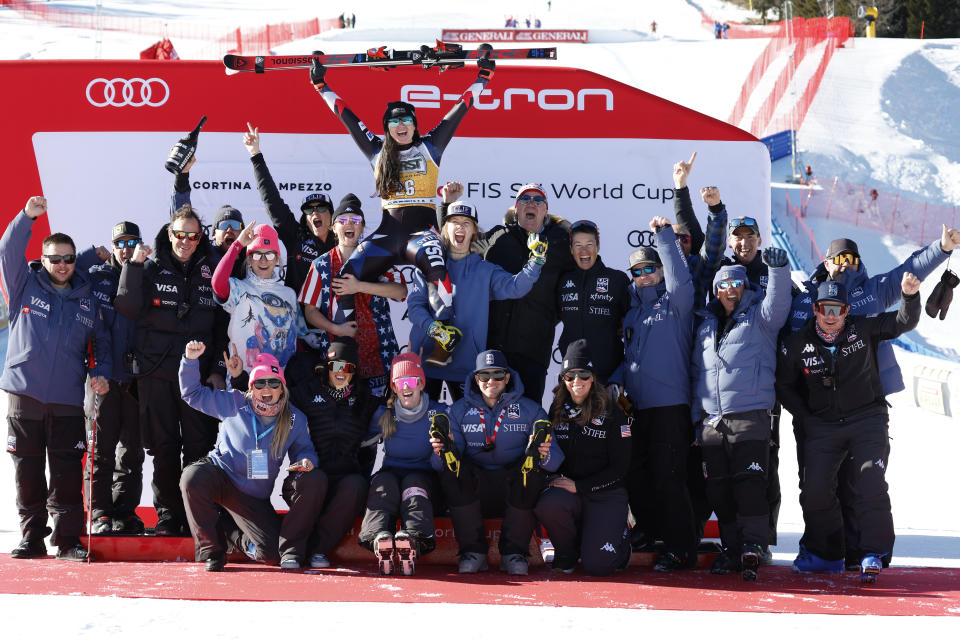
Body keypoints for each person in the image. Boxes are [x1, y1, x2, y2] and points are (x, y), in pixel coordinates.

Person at [785, 228, 958, 568]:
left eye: (851, 259)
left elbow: (911, 269)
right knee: (816, 485)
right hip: (817, 408)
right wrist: (800, 407)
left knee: (858, 480)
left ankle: (856, 549)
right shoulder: (807, 296)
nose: (844, 265)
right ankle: (822, 547)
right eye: (838, 258)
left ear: (859, 263)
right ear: (826, 260)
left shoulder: (872, 291)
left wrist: (941, 248)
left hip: (864, 402)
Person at [308, 51, 495, 324]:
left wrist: (483, 77)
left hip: (421, 236)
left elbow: (461, 107)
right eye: (394, 121)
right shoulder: (377, 150)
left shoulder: (430, 146)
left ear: (415, 125)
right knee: (344, 280)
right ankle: (343, 351)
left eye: (406, 120)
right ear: (386, 128)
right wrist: (321, 85)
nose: (401, 125)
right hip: (386, 237)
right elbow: (347, 117)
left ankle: (443, 339)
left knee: (437, 270)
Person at [776, 276, 921, 584]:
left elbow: (901, 323)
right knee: (814, 490)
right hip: (822, 425)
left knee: (869, 478)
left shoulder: (862, 328)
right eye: (825, 309)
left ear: (846, 311)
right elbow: (785, 387)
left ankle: (874, 553)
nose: (831, 317)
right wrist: (807, 417)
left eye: (838, 310)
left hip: (867, 418)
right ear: (815, 309)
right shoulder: (797, 343)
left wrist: (909, 296)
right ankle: (827, 555)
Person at [1, 196, 111, 561]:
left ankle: (67, 540)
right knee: (27, 470)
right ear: (43, 261)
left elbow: (99, 344)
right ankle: (31, 537)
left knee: (66, 471)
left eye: (68, 258)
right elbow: (7, 250)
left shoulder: (87, 298)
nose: (62, 265)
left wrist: (100, 373)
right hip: (25, 394)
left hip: (66, 397)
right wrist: (27, 217)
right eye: (55, 259)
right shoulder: (23, 287)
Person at [114, 204, 228, 536]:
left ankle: (198, 516)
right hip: (156, 373)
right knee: (163, 448)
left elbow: (223, 325)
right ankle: (167, 516)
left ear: (200, 237)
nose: (186, 241)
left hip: (197, 375)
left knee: (199, 446)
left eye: (193, 236)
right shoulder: (149, 267)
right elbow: (127, 306)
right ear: (169, 234)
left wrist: (218, 368)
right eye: (180, 234)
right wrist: (134, 266)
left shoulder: (213, 268)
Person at [690, 248, 791, 582]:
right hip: (711, 421)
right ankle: (733, 550)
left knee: (749, 485)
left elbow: (779, 304)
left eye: (736, 282)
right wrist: (698, 418)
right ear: (716, 290)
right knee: (719, 490)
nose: (730, 289)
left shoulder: (759, 316)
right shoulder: (705, 324)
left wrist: (778, 270)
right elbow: (697, 373)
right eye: (724, 284)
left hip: (749, 415)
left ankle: (752, 546)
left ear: (745, 286)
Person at [178, 342, 321, 571]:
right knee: (192, 477)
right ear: (252, 387)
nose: (267, 389)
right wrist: (190, 360)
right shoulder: (235, 403)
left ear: (282, 387)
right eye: (260, 383)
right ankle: (212, 552)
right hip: (221, 475)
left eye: (273, 383)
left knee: (272, 553)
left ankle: (230, 532)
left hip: (252, 497)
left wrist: (307, 461)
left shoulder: (295, 419)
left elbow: (304, 450)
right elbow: (192, 394)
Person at [610, 217, 698, 572]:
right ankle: (647, 530)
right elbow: (629, 360)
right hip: (638, 409)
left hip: (671, 408)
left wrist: (664, 237)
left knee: (669, 479)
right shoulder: (633, 314)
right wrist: (612, 383)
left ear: (661, 270)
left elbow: (679, 274)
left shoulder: (677, 303)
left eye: (650, 268)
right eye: (637, 271)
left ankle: (681, 549)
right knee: (636, 473)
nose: (644, 275)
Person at [407, 182, 544, 401]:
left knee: (465, 432)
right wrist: (435, 330)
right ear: (445, 229)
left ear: (474, 232)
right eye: (454, 222)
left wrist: (536, 261)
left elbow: (516, 287)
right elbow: (414, 308)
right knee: (425, 430)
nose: (460, 227)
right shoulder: (428, 263)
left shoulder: (485, 270)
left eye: (466, 223)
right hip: (426, 363)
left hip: (466, 368)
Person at [430, 350, 562, 575]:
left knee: (532, 470)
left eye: (498, 375)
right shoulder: (459, 410)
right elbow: (436, 466)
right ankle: (473, 552)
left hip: (513, 487)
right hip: (475, 488)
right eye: (484, 376)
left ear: (508, 377)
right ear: (475, 379)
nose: (491, 381)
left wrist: (544, 453)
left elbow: (555, 462)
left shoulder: (531, 410)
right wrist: (440, 451)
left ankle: (514, 553)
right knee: (452, 470)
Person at [535, 339, 633, 576]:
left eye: (583, 374)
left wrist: (580, 486)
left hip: (605, 495)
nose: (576, 381)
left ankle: (621, 540)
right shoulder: (556, 410)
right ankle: (567, 553)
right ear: (563, 379)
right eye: (570, 376)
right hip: (570, 492)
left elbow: (621, 468)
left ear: (593, 377)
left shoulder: (613, 412)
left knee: (598, 566)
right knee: (549, 503)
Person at [298, 194, 407, 397]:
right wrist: (335, 328)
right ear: (334, 227)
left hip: (380, 354)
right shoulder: (320, 265)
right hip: (338, 358)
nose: (350, 224)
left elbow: (401, 291)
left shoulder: (377, 257)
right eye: (343, 220)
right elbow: (310, 311)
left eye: (356, 220)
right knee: (342, 419)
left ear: (362, 227)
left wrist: (359, 286)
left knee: (381, 417)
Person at [287, 336, 380, 568]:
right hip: (308, 476)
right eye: (335, 366)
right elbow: (270, 398)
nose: (341, 372)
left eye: (348, 367)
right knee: (316, 478)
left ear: (354, 371)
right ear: (327, 367)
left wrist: (388, 415)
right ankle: (292, 552)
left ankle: (318, 550)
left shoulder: (364, 399)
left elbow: (394, 405)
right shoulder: (305, 392)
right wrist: (240, 380)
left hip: (343, 482)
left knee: (358, 485)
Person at [481, 184, 574, 403]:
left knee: (528, 416)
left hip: (533, 350)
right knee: (490, 416)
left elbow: (574, 285)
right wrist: (446, 205)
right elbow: (457, 246)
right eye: (524, 199)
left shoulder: (560, 244)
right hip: (493, 350)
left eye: (538, 200)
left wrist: (547, 318)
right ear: (515, 208)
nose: (531, 203)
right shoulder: (497, 236)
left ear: (545, 210)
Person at [358, 353, 443, 576]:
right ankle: (379, 538)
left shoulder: (438, 412)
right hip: (392, 471)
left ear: (422, 384)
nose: (407, 387)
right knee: (382, 486)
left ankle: (413, 539)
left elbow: (449, 452)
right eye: (401, 382)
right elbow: (361, 440)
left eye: (412, 381)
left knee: (414, 487)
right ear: (394, 387)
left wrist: (440, 452)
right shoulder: (385, 413)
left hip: (424, 473)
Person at [86, 221, 146, 534]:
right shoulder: (96, 276)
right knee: (100, 451)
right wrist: (97, 372)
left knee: (132, 452)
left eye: (131, 242)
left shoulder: (146, 275)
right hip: (102, 379)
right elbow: (89, 330)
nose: (125, 248)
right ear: (112, 247)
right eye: (119, 243)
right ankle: (99, 514)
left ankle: (124, 512)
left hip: (136, 381)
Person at [242, 124, 337, 294]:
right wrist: (256, 155)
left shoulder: (342, 242)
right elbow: (272, 200)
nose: (314, 212)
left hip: (334, 319)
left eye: (321, 208)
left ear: (331, 214)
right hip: (297, 318)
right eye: (309, 210)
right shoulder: (296, 237)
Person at [212, 220, 303, 373]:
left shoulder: (289, 294)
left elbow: (298, 339)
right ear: (248, 259)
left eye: (269, 254)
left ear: (277, 259)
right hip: (242, 381)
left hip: (278, 387)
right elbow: (217, 284)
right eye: (257, 255)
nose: (263, 260)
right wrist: (238, 245)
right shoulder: (239, 288)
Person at [555, 219, 630, 384]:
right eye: (578, 245)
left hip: (607, 377)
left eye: (589, 244)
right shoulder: (562, 280)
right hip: (572, 378)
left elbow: (634, 323)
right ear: (571, 249)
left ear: (598, 246)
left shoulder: (617, 279)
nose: (584, 250)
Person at [171, 155, 248, 280]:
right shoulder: (203, 255)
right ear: (213, 234)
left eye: (235, 225)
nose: (229, 230)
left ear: (243, 232)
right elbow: (181, 216)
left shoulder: (253, 260)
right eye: (223, 225)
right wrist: (182, 175)